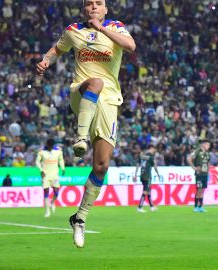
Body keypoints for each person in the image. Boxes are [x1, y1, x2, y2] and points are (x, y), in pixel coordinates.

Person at [36, 0, 135, 248]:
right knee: (95, 83)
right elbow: (57, 50)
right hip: (81, 92)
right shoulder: (73, 30)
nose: (93, 7)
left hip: (109, 102)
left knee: (101, 166)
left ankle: (79, 218)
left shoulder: (116, 27)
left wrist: (101, 29)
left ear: (105, 9)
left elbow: (130, 46)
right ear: (83, 9)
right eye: (89, 4)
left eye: (98, 4)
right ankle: (80, 138)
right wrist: (45, 61)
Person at [35, 138, 65, 218]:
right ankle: (47, 211)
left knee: (56, 192)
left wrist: (63, 168)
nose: (50, 147)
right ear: (47, 145)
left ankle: (52, 202)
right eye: (49, 146)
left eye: (51, 146)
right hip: (45, 175)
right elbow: (37, 161)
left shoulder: (58, 151)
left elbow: (61, 160)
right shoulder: (41, 152)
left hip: (54, 174)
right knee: (46, 192)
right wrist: (41, 170)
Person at [134, 144, 161, 213]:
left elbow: (137, 165)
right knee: (145, 191)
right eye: (154, 149)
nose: (155, 151)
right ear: (151, 148)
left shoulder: (142, 156)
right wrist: (158, 174)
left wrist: (135, 175)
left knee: (148, 191)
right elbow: (154, 166)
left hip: (142, 175)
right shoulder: (151, 157)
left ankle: (152, 207)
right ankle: (139, 207)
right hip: (147, 176)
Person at [187, 139, 211, 213]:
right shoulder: (197, 151)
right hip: (199, 174)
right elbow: (189, 158)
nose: (208, 146)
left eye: (209, 145)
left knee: (202, 190)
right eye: (207, 145)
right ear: (203, 145)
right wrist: (193, 167)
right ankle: (195, 206)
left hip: (205, 174)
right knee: (199, 190)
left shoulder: (207, 153)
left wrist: (208, 171)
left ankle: (200, 207)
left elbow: (208, 162)